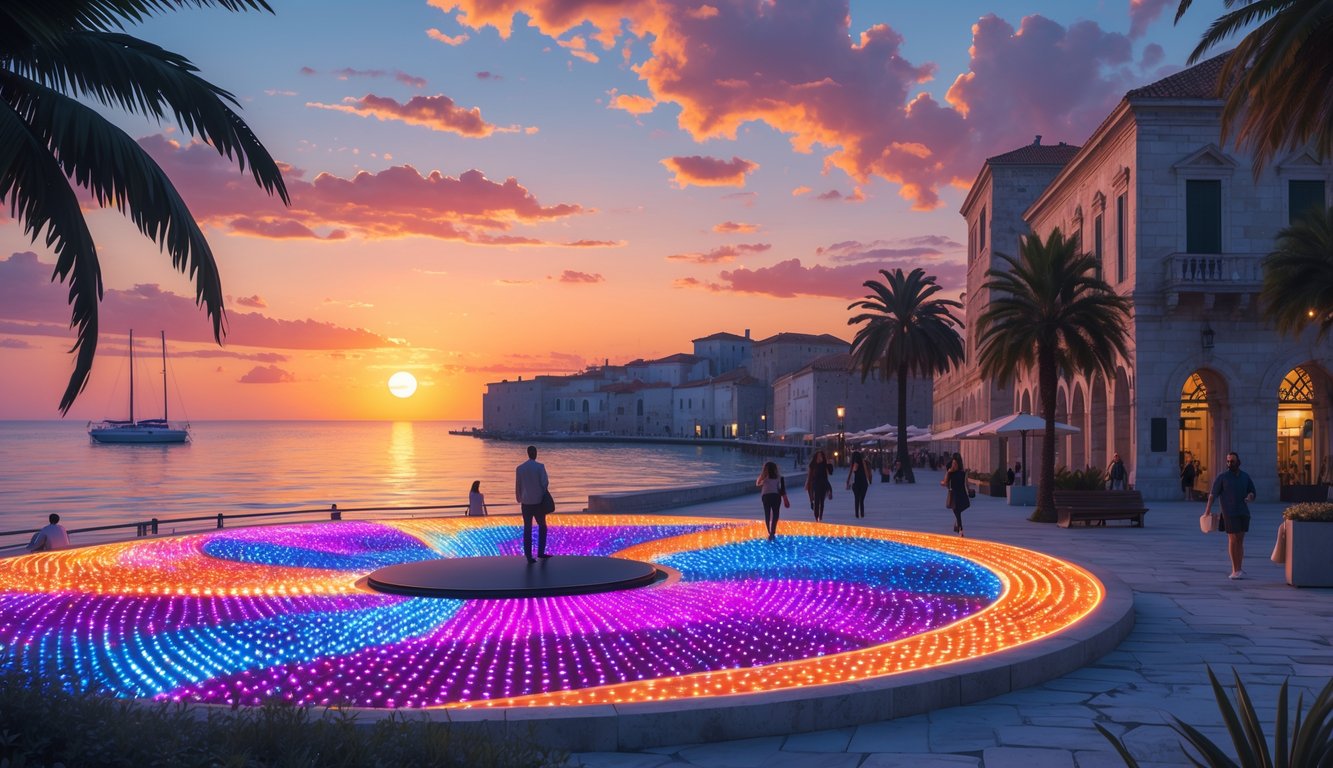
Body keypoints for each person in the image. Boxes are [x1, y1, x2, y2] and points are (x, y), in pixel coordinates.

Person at [1204, 451, 1257, 580]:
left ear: (1238, 462)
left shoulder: (1245, 476)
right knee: (1233, 539)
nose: (1229, 463)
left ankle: (1239, 568)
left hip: (1243, 512)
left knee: (1240, 540)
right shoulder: (1222, 477)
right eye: (1228, 461)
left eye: (1232, 461)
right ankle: (1235, 570)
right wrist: (1207, 511)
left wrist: (1250, 497)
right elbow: (1212, 495)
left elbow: (1252, 492)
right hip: (1229, 513)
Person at [514, 445, 552, 564]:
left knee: (527, 529)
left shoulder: (520, 468)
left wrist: (519, 499)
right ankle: (541, 552)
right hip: (538, 502)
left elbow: (518, 485)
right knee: (542, 526)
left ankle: (529, 556)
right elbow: (545, 483)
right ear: (535, 453)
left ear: (527, 453)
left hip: (526, 503)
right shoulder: (540, 467)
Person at [757, 461, 788, 540]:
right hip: (776, 496)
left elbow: (757, 483)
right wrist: (785, 498)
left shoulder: (764, 477)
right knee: (775, 513)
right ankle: (772, 532)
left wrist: (762, 476)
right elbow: (781, 488)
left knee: (767, 513)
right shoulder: (778, 477)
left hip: (766, 496)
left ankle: (769, 530)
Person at [942, 452, 970, 536]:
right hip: (954, 494)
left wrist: (969, 491)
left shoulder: (963, 473)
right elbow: (945, 483)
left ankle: (957, 524)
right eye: (953, 463)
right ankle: (960, 529)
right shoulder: (950, 472)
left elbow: (966, 484)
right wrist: (948, 472)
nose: (954, 465)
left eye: (955, 463)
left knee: (963, 507)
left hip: (962, 494)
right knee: (956, 511)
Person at [805, 450, 834, 522]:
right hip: (815, 484)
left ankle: (820, 516)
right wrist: (807, 483)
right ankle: (816, 516)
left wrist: (829, 464)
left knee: (822, 501)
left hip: (823, 484)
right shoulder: (813, 465)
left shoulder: (825, 464)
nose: (819, 457)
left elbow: (831, 472)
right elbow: (809, 475)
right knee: (816, 500)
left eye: (821, 456)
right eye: (818, 456)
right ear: (816, 457)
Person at [845, 450, 872, 519]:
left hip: (856, 483)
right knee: (861, 499)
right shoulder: (865, 463)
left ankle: (857, 514)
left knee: (857, 498)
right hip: (864, 483)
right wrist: (869, 480)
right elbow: (869, 472)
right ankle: (861, 514)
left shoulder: (854, 464)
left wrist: (848, 481)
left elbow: (852, 472)